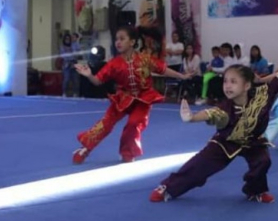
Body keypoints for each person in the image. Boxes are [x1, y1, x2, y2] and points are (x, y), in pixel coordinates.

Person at [149, 58, 278, 203]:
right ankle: (168, 188)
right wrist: (192, 117)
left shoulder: (263, 94)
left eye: (233, 81)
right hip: (226, 142)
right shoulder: (226, 107)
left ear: (247, 85)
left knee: (263, 161)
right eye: (225, 81)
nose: (227, 86)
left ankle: (255, 191)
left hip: (254, 141)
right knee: (199, 165)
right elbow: (211, 113)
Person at [72, 26, 191, 164]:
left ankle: (127, 153)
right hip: (122, 98)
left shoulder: (145, 59)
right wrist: (89, 75)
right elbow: (98, 81)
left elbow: (163, 69)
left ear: (132, 42)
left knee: (134, 124)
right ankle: (86, 148)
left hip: (143, 99)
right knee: (105, 123)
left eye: (122, 39)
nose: (118, 42)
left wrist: (181, 76)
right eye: (117, 39)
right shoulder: (114, 63)